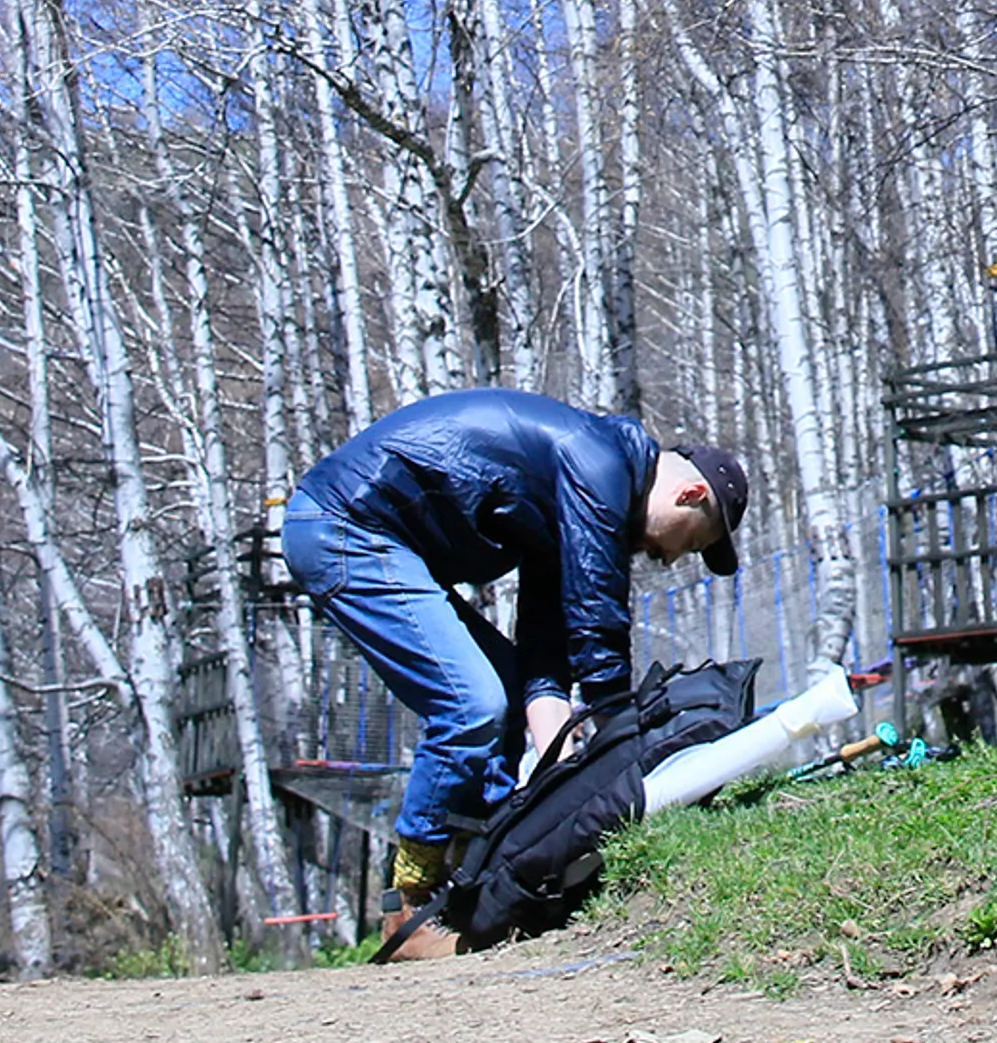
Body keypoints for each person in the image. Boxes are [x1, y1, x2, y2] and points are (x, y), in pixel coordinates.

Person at [282, 390, 749, 947]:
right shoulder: (598, 464)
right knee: (471, 704)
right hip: (345, 528)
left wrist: (568, 779)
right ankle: (410, 907)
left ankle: (474, 886)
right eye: (690, 542)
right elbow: (597, 628)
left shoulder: (575, 486)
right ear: (690, 494)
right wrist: (627, 750)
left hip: (374, 538)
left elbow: (545, 657)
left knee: (501, 692)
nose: (669, 559)